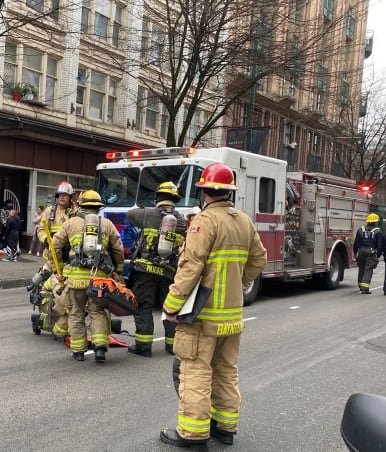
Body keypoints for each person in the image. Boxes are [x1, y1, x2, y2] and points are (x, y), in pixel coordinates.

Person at [159, 163, 267, 448]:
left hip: (202, 317)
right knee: (226, 371)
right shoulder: (244, 221)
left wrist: (171, 306)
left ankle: (192, 434)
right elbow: (259, 259)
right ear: (229, 191)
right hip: (232, 317)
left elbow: (190, 267)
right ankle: (224, 428)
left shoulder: (204, 221)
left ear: (204, 190)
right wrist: (238, 280)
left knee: (195, 371)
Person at [47, 190, 124, 363]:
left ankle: (79, 351)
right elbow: (118, 249)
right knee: (97, 312)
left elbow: (55, 246)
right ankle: (100, 348)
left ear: (80, 205)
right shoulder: (106, 224)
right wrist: (118, 270)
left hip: (75, 278)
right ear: (98, 207)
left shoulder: (70, 223)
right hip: (99, 278)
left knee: (76, 313)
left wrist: (57, 268)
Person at [126, 181, 187, 357]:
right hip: (169, 273)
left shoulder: (147, 214)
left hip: (146, 272)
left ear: (157, 197)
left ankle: (144, 347)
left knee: (143, 306)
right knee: (169, 309)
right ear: (175, 199)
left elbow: (130, 214)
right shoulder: (181, 221)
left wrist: (148, 209)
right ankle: (172, 346)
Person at [35, 181, 78, 340]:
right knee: (50, 289)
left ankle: (64, 321)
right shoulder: (49, 211)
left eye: (65, 195)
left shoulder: (76, 212)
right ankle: (49, 318)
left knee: (68, 292)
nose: (62, 198)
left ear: (70, 197)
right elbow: (40, 229)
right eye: (60, 195)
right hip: (52, 258)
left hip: (70, 259)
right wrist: (46, 239)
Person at [353, 213, 382, 294]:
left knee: (361, 268)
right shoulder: (378, 231)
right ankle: (365, 288)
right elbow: (380, 245)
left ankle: (360, 285)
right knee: (368, 269)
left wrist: (355, 253)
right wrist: (378, 255)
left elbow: (356, 242)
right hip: (371, 252)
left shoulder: (360, 230)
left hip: (361, 250)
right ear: (375, 222)